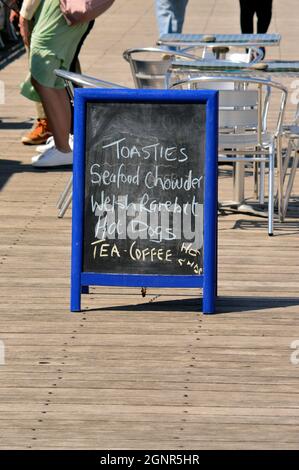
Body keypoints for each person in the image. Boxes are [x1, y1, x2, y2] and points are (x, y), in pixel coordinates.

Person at [19, 0, 91, 167]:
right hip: (68, 10)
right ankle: (63, 142)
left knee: (44, 77)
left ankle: (63, 148)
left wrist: (25, 13)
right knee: (56, 78)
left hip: (58, 11)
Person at [9, 0, 52, 145]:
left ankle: (53, 127)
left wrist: (25, 13)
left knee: (42, 67)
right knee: (53, 66)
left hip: (48, 11)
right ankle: (61, 124)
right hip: (47, 10)